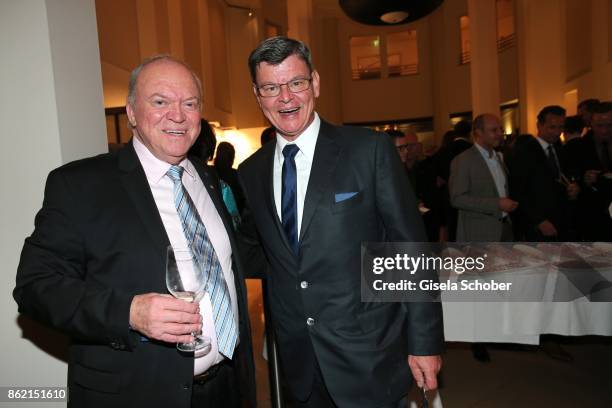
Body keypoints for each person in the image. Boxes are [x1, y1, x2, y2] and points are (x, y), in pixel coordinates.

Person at [13, 56, 255, 408]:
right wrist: (129, 312)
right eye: (160, 102)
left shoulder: (207, 179)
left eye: (189, 104)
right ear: (131, 112)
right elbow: (36, 286)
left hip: (226, 387)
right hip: (136, 392)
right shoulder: (81, 185)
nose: (177, 114)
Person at [238, 36, 443, 408]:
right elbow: (260, 252)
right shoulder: (250, 172)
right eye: (271, 87)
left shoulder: (369, 150)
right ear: (257, 94)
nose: (285, 98)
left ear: (314, 82)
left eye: (296, 82)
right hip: (298, 360)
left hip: (368, 354)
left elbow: (410, 251)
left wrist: (424, 343)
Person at [509, 105, 580, 241]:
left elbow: (562, 179)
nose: (557, 132)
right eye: (552, 127)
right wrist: (539, 221)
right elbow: (518, 191)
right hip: (538, 225)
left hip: (561, 220)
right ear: (539, 126)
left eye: (561, 127)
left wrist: (573, 188)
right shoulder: (524, 152)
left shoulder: (559, 149)